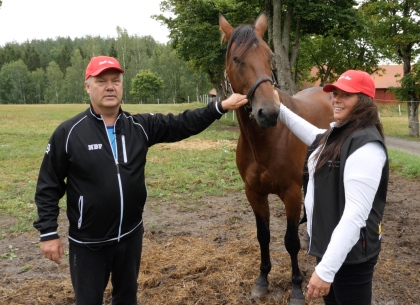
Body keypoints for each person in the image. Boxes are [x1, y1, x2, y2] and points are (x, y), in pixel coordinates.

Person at [33, 55, 247, 305]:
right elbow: (48, 185)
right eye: (101, 81)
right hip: (89, 244)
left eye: (116, 80)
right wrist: (48, 233)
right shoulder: (68, 133)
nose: (110, 86)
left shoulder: (139, 126)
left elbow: (182, 124)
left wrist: (219, 107)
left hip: (130, 237)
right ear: (88, 86)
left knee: (126, 299)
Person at [277, 70, 389, 304]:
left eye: (346, 95)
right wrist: (277, 106)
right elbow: (310, 133)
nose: (336, 99)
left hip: (351, 257)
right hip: (330, 248)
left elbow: (355, 216)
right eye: (335, 93)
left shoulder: (366, 146)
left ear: (364, 102)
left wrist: (325, 271)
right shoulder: (337, 134)